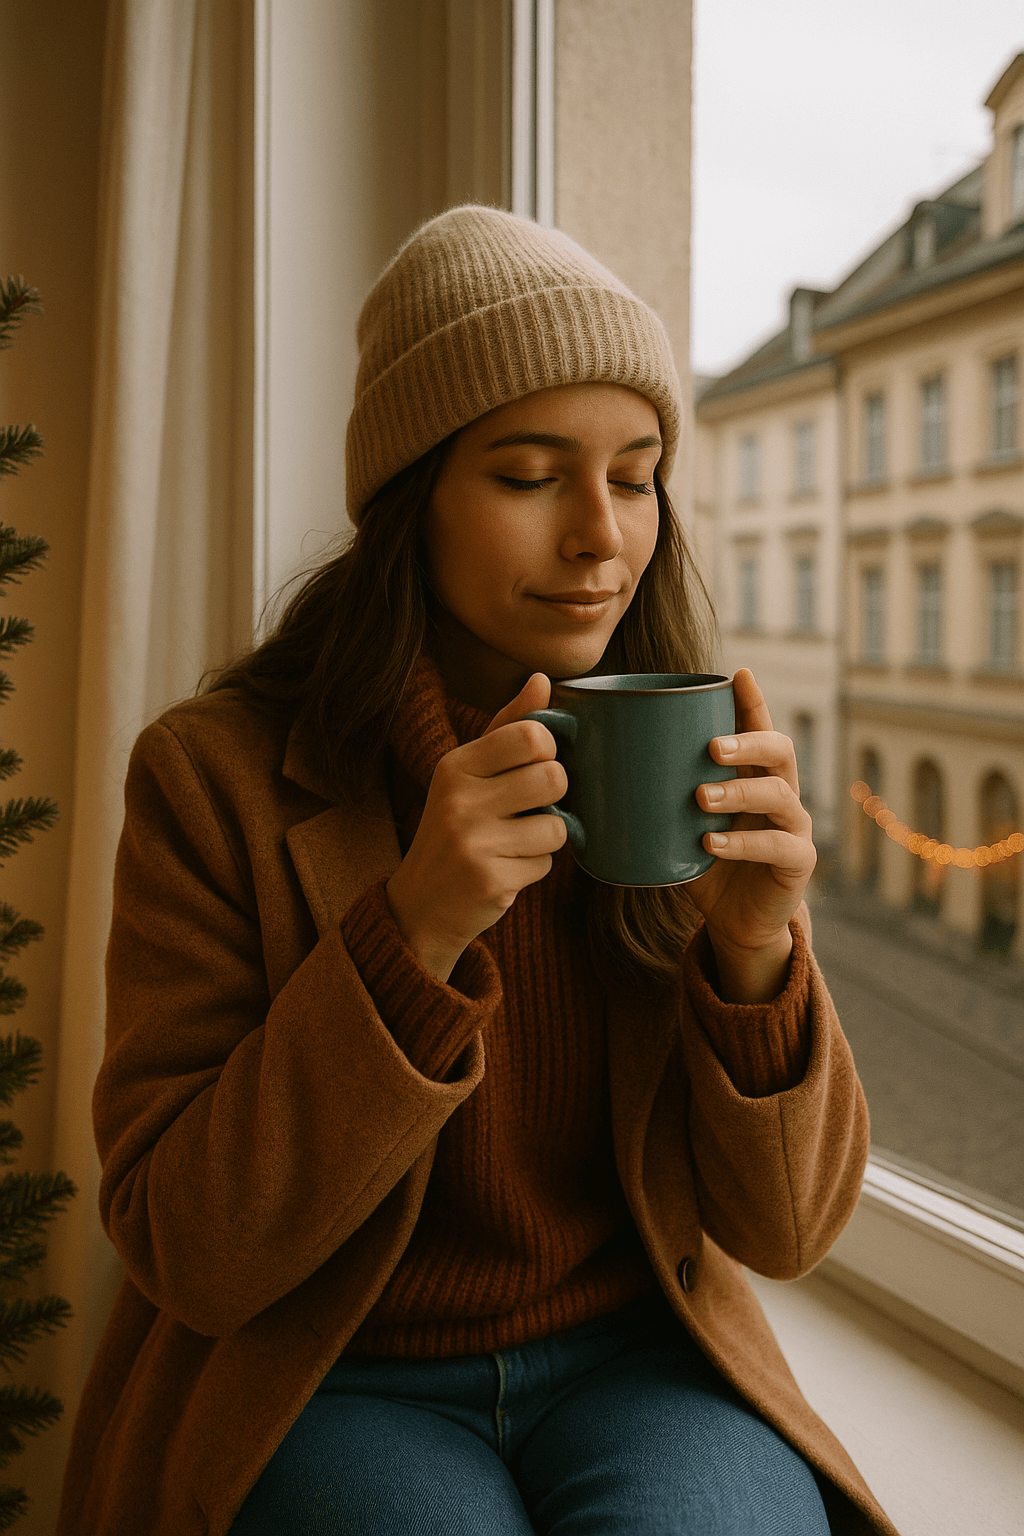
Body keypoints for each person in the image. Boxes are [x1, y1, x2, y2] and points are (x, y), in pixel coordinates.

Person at [57, 207, 897, 1536]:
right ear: (413, 501)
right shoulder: (209, 775)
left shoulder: (673, 744)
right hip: (335, 1375)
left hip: (635, 1358)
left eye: (633, 476)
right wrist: (414, 932)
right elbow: (187, 1250)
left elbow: (785, 1233)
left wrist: (758, 955)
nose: (598, 537)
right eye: (527, 475)